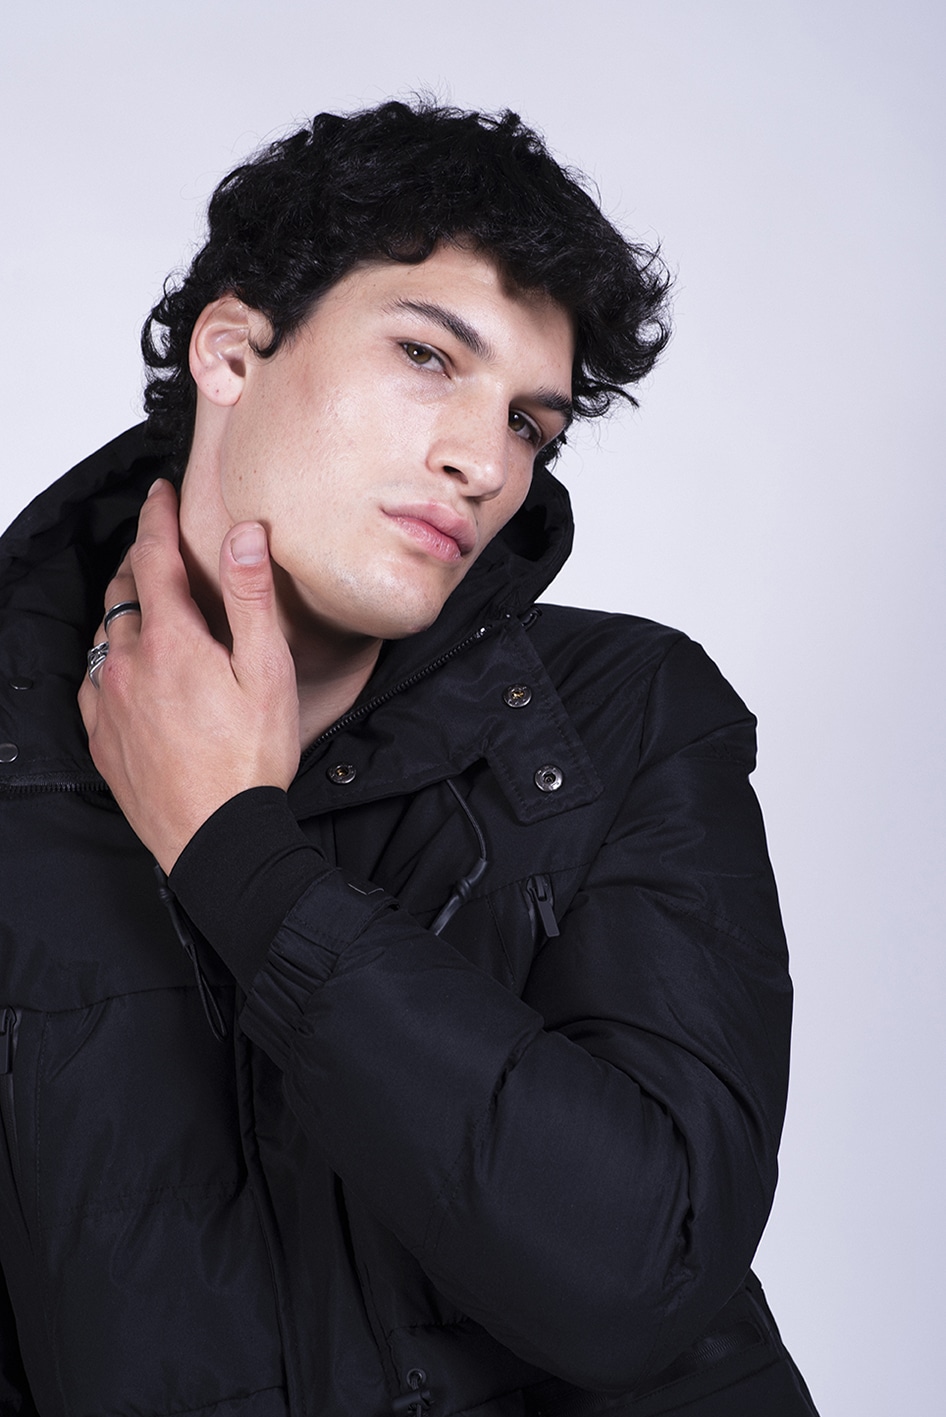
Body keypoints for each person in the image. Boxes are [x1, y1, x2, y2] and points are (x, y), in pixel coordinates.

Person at [0, 100, 819, 1415]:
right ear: (232, 350)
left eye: (530, 425)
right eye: (428, 357)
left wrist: (239, 857)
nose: (482, 461)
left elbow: (643, 1266)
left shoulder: (625, 718)